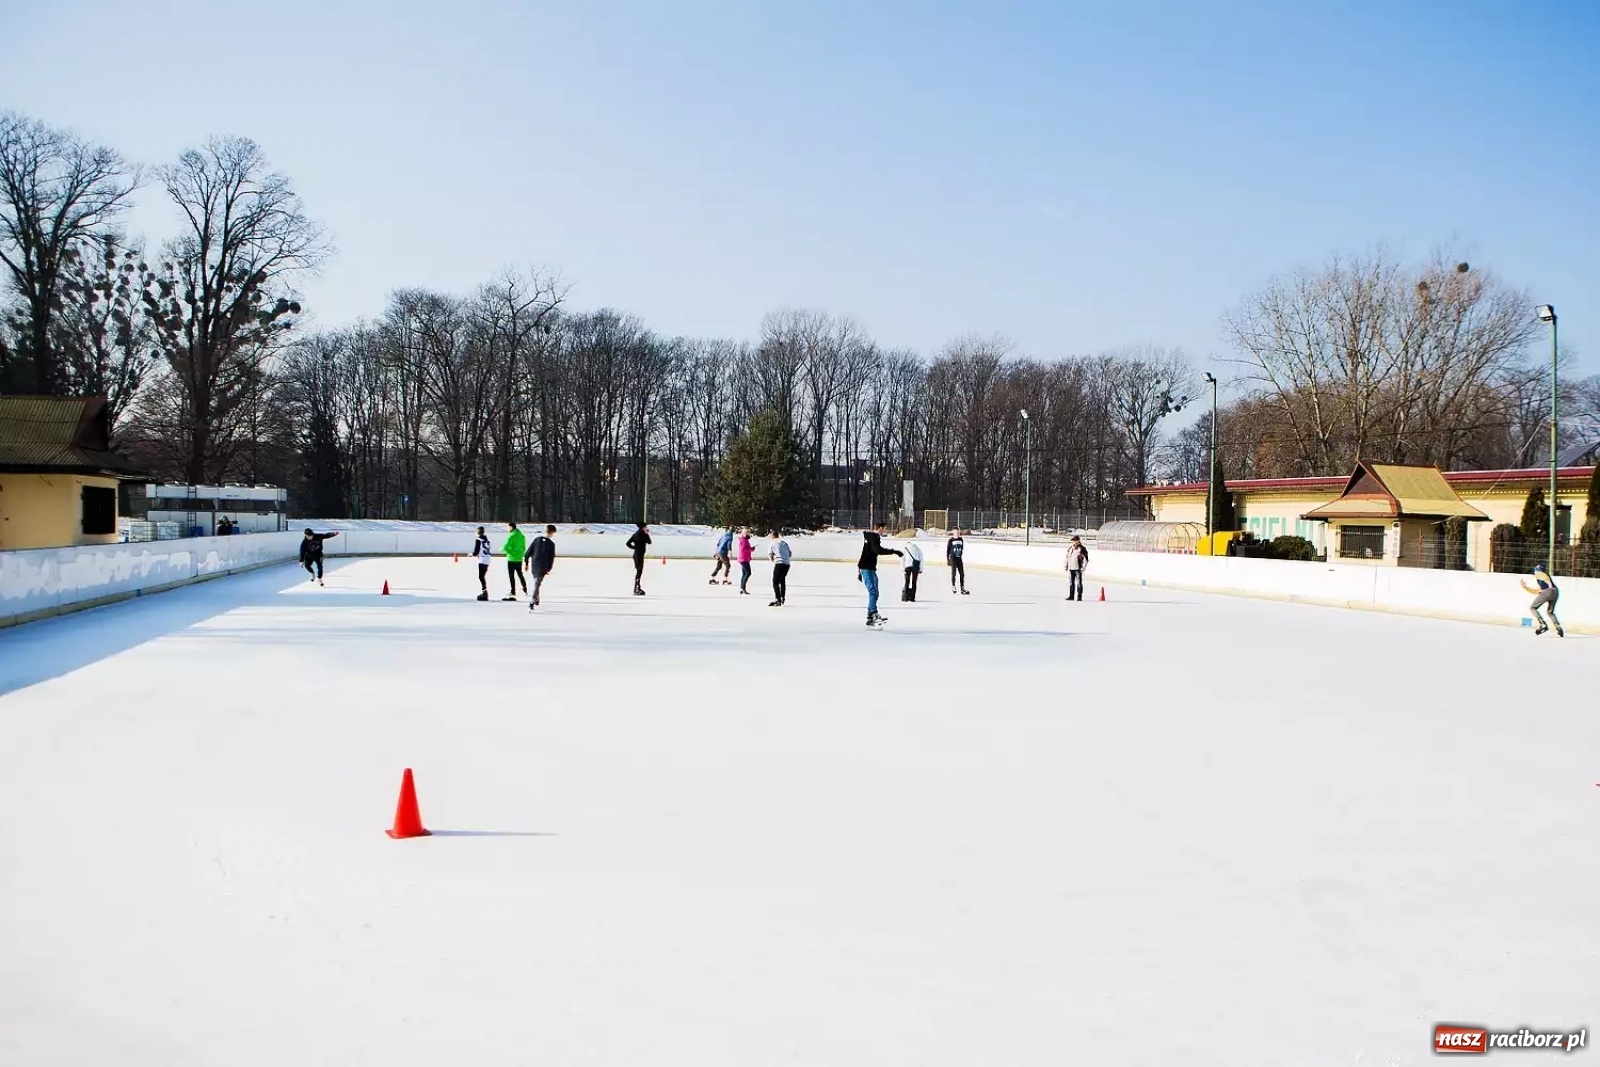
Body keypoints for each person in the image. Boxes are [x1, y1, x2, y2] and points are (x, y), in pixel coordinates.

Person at [857, 522, 903, 626]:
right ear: (880, 528)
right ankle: (873, 613)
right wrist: (894, 551)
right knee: (873, 591)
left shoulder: (871, 537)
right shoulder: (873, 537)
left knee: (875, 592)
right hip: (866, 568)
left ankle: (870, 617)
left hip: (870, 568)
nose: (885, 531)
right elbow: (877, 550)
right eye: (884, 529)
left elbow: (865, 553)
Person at [1521, 563, 1564, 637]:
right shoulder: (1543, 578)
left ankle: (1542, 624)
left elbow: (1544, 578)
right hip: (1555, 592)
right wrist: (1526, 587)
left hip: (1548, 591)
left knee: (1533, 607)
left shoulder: (1539, 573)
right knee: (1550, 612)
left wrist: (1549, 584)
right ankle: (1558, 626)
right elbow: (1538, 591)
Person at [526, 524, 556, 610]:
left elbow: (528, 552)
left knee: (537, 582)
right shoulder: (551, 544)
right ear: (552, 533)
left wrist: (526, 562)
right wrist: (549, 568)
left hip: (534, 564)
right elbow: (551, 557)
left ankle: (536, 598)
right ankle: (533, 599)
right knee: (537, 583)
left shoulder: (537, 540)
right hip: (543, 566)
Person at [501, 522, 528, 601]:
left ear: (511, 527)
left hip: (511, 558)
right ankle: (524, 589)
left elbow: (505, 547)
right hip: (519, 558)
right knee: (520, 574)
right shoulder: (522, 536)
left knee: (511, 575)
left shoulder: (511, 536)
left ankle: (513, 590)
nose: (507, 529)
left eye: (508, 528)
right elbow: (523, 547)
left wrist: (505, 550)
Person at [626, 522, 651, 595]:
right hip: (639, 555)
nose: (647, 528)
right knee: (639, 572)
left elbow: (628, 543)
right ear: (643, 527)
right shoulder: (643, 534)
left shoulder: (635, 534)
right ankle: (636, 588)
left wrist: (635, 548)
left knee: (639, 571)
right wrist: (647, 534)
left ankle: (637, 587)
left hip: (636, 555)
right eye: (646, 527)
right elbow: (649, 542)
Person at [768, 530, 791, 606]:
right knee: (782, 580)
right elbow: (790, 553)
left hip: (779, 563)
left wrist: (773, 561)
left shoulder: (772, 543)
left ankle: (777, 598)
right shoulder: (784, 543)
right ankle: (782, 598)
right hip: (787, 564)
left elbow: (770, 554)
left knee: (775, 581)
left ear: (773, 536)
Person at [471, 526, 493, 601]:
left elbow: (476, 552)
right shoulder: (487, 540)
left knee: (481, 576)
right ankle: (484, 591)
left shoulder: (478, 540)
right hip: (487, 559)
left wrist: (471, 554)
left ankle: (485, 592)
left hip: (482, 560)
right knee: (482, 576)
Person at [1065, 535, 1089, 601]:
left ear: (1077, 541)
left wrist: (1083, 568)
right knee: (1071, 583)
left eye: (1074, 541)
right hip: (1071, 568)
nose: (1073, 543)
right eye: (1072, 542)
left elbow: (1086, 560)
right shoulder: (1070, 549)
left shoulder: (1082, 549)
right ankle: (1071, 596)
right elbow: (1067, 557)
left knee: (1079, 583)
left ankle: (1079, 596)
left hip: (1078, 569)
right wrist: (1066, 565)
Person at [946, 527, 968, 594]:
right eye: (956, 532)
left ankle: (962, 588)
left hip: (959, 558)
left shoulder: (961, 539)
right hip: (953, 559)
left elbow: (962, 548)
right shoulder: (951, 540)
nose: (957, 534)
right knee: (953, 573)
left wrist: (960, 554)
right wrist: (948, 559)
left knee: (962, 573)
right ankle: (953, 586)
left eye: (958, 532)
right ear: (953, 532)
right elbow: (948, 550)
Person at [736, 528, 754, 595]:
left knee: (744, 573)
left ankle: (742, 588)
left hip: (744, 558)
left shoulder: (744, 540)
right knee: (748, 573)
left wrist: (750, 549)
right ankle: (743, 588)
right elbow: (743, 549)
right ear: (745, 534)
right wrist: (751, 549)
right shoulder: (743, 540)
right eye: (748, 533)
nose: (749, 534)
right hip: (744, 559)